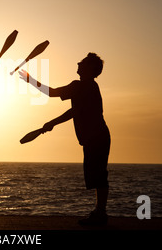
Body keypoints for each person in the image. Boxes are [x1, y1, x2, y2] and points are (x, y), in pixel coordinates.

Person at [19, 53, 111, 226]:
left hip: (96, 137)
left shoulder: (83, 86)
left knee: (98, 175)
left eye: (82, 62)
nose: (77, 63)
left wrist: (52, 122)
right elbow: (55, 94)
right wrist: (30, 80)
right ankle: (100, 213)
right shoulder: (86, 86)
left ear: (90, 68)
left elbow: (71, 109)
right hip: (98, 136)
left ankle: (100, 214)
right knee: (98, 175)